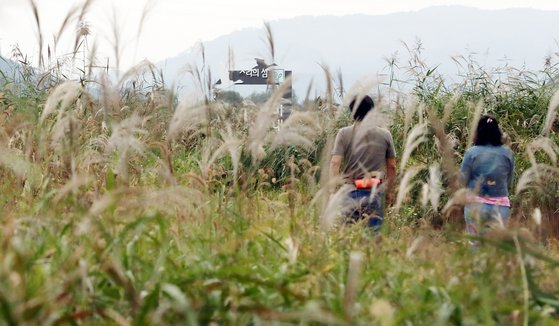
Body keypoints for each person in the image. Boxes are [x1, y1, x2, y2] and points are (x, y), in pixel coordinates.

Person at [329, 95, 397, 230]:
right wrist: (389, 193)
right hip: (375, 192)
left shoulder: (343, 133)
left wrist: (332, 192)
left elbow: (335, 163)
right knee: (373, 239)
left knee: (348, 236)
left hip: (350, 191)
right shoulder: (385, 134)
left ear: (352, 112)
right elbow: (392, 166)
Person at [460, 115, 514, 236]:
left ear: (478, 131)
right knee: (496, 247)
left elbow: (462, 180)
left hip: (476, 206)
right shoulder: (508, 153)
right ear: (497, 132)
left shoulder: (472, 153)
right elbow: (509, 181)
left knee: (476, 246)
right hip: (501, 207)